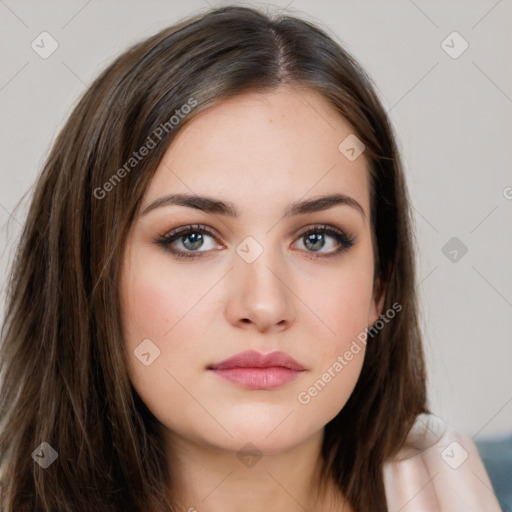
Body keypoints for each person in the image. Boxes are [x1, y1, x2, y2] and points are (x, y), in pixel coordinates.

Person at [0, 5, 501, 512]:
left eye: (317, 239)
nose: (264, 306)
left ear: (380, 285)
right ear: (90, 274)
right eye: (193, 238)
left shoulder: (457, 490)